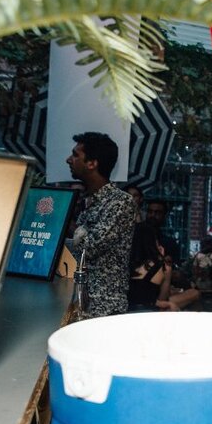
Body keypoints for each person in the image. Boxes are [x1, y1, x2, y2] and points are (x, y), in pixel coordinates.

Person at [67, 132, 135, 317]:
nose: (68, 159)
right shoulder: (88, 202)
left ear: (92, 163)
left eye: (75, 155)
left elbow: (90, 247)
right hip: (80, 302)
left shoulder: (120, 202)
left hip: (103, 308)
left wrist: (65, 220)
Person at [127, 223, 200, 312]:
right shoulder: (163, 267)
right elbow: (162, 300)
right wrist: (160, 258)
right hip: (151, 308)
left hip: (131, 307)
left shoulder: (128, 264)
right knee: (194, 294)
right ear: (153, 241)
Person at [145, 199, 181, 266]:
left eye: (157, 213)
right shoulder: (137, 238)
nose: (152, 215)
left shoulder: (170, 243)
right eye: (150, 212)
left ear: (164, 216)